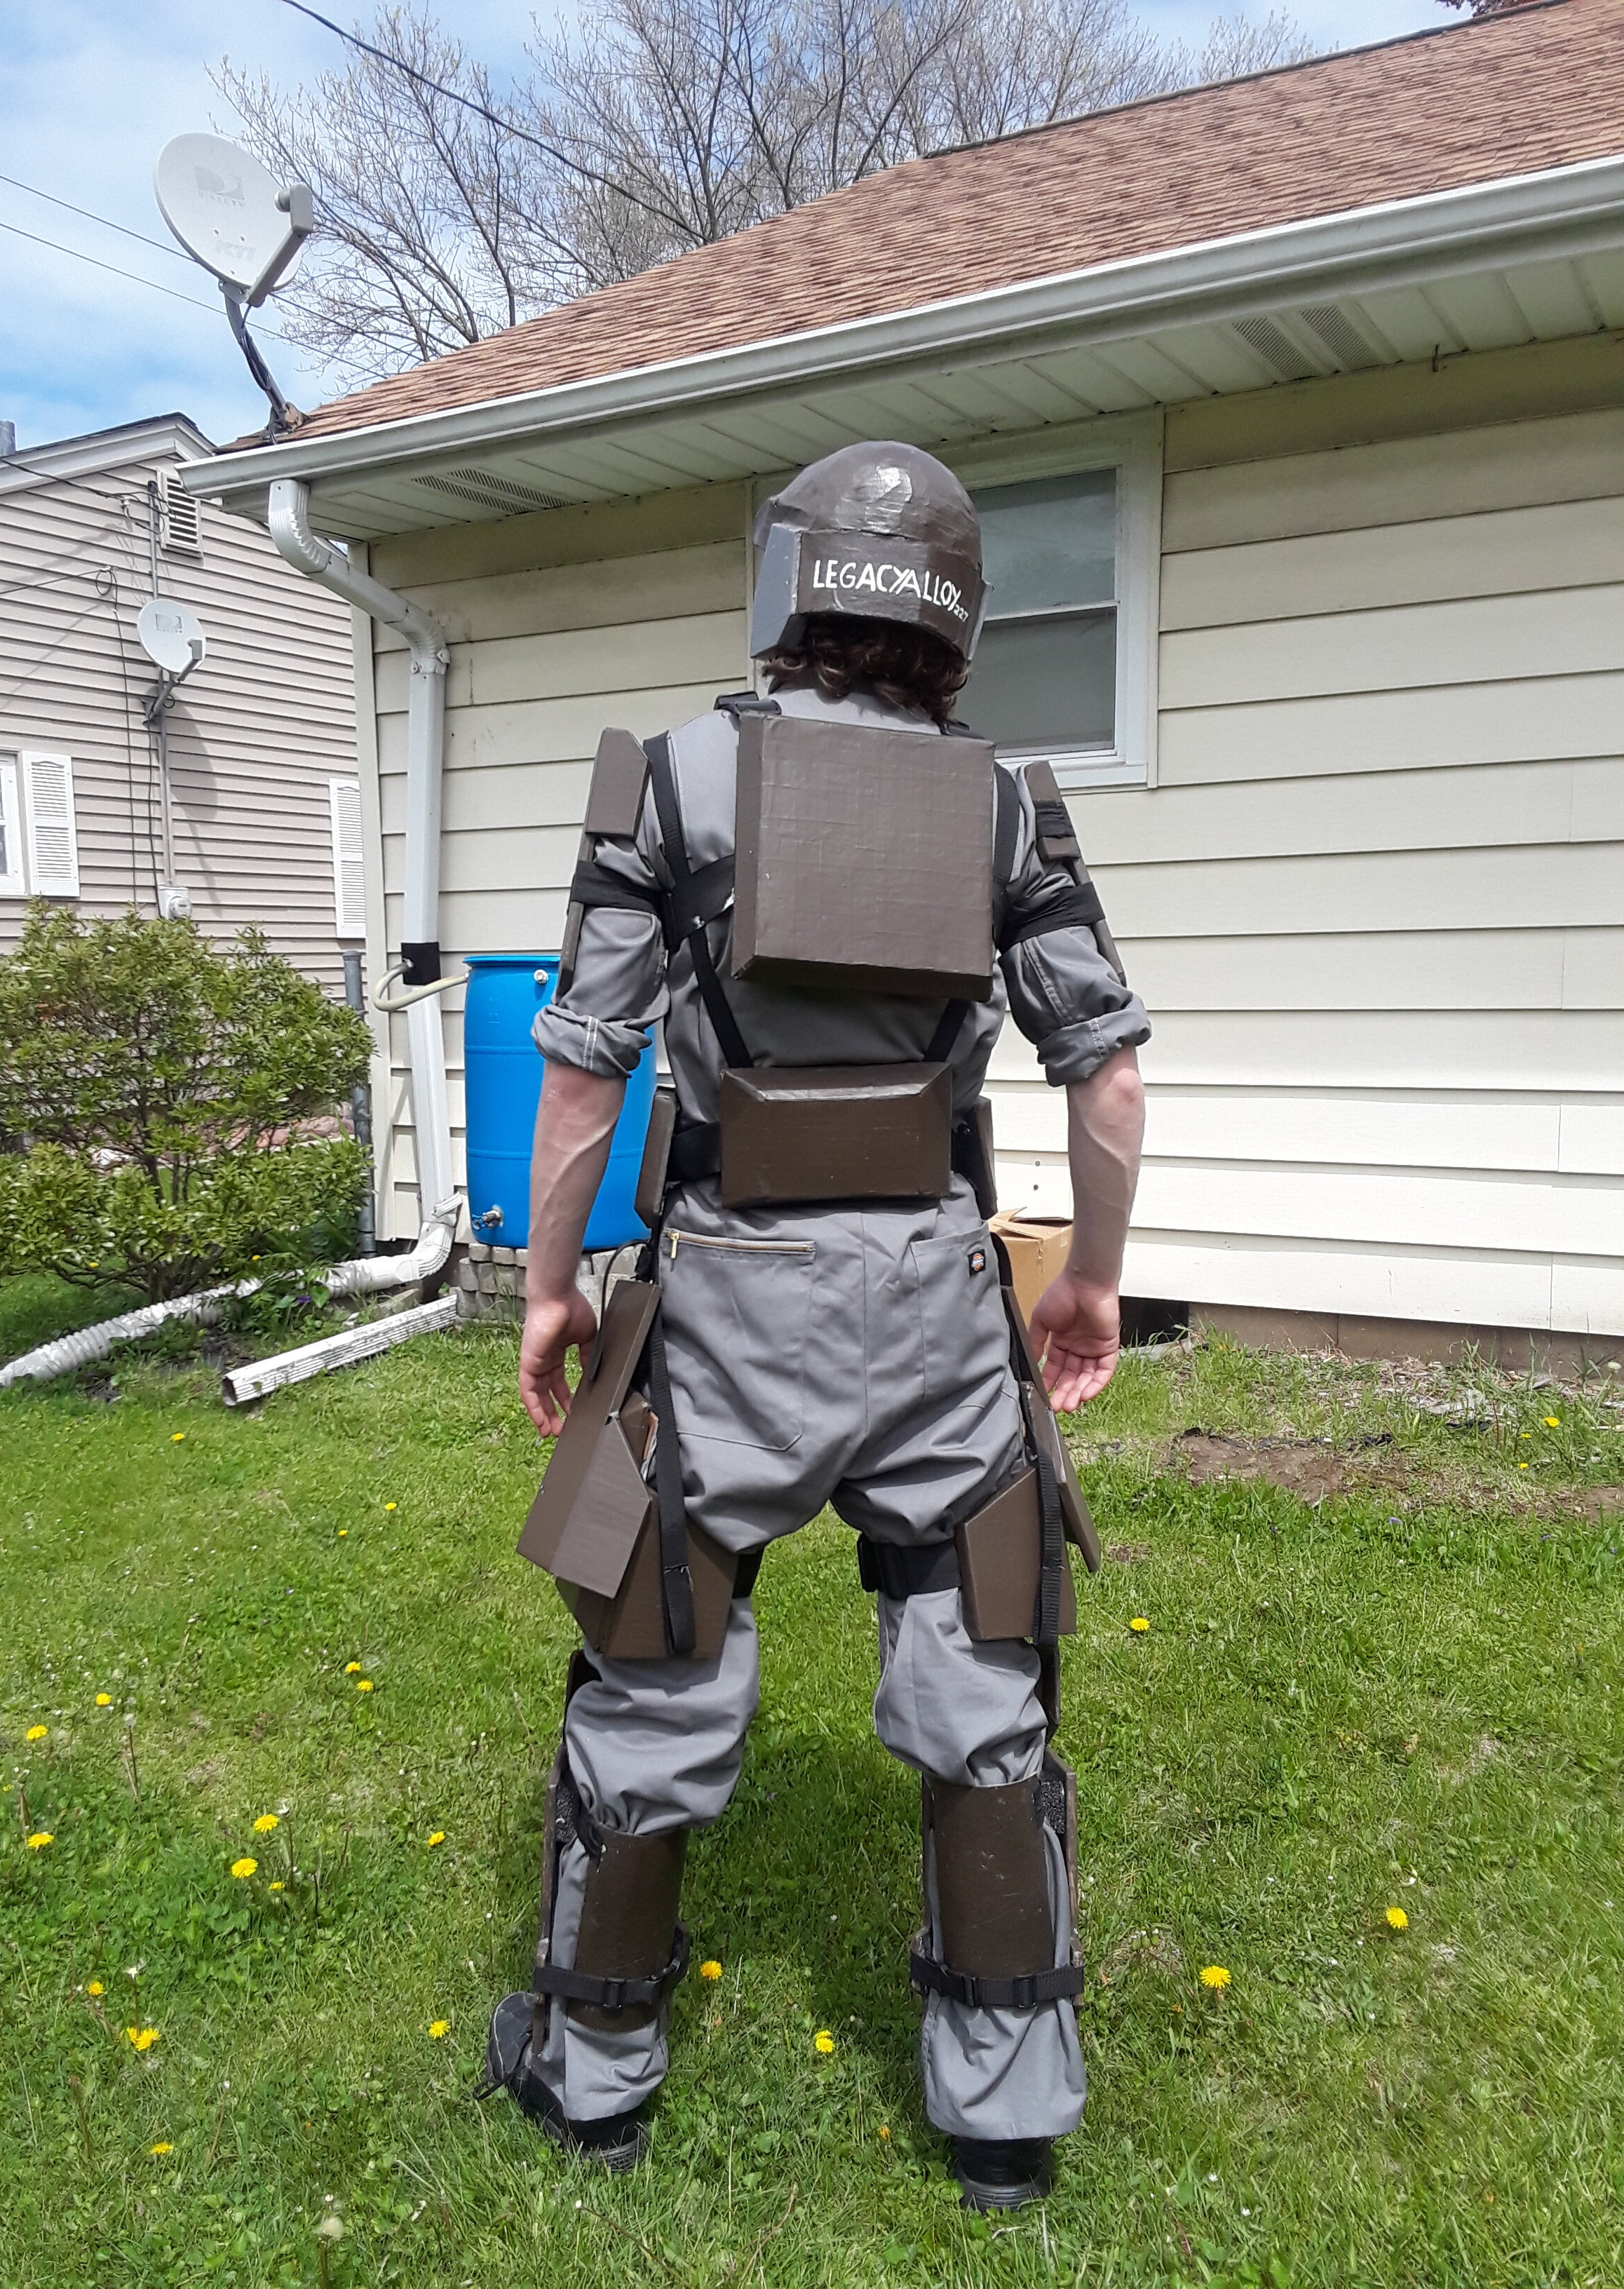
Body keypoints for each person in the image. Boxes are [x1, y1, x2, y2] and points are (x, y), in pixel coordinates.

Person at [484, 442, 1149, 2210]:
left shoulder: (668, 780)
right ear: (956, 614)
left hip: (729, 1301)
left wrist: (548, 1286)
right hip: (936, 1301)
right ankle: (1005, 2114)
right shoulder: (1010, 804)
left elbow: (585, 1071)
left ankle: (594, 2077)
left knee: (652, 1661)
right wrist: (1090, 1277)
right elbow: (1107, 1075)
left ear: (789, 584)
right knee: (984, 1674)